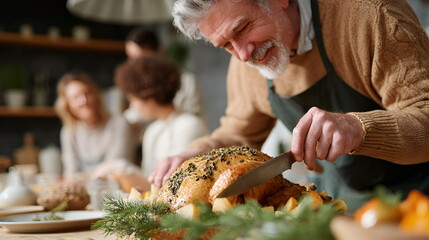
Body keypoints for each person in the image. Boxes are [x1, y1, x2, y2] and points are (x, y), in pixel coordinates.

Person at [149, 0, 429, 211]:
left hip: (418, 202)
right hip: (342, 205)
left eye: (244, 27)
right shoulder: (246, 62)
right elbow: (240, 134)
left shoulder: (371, 16)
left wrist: (357, 128)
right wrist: (198, 155)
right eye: (226, 45)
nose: (244, 55)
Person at [115, 55, 209, 178]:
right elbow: (148, 177)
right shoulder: (152, 131)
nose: (133, 106)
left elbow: (173, 180)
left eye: (133, 99)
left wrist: (120, 169)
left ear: (149, 98)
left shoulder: (190, 125)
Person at [54, 71, 135, 180]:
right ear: (67, 105)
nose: (84, 100)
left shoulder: (118, 124)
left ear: (96, 95)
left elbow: (115, 168)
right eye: (76, 97)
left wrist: (80, 178)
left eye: (87, 93)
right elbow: (71, 172)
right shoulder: (69, 131)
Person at [125, 27, 205, 119]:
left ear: (158, 51)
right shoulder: (136, 86)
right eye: (131, 58)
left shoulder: (186, 81)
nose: (135, 63)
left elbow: (193, 118)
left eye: (140, 57)